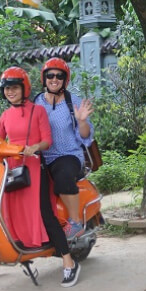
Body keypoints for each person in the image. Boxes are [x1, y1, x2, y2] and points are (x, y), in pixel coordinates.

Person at [0, 66, 81, 287]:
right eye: (6, 89)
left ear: (24, 88)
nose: (10, 92)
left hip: (34, 167)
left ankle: (69, 262)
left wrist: (34, 147)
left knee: (45, 213)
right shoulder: (5, 116)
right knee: (6, 210)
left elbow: (47, 141)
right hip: (12, 169)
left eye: (14, 88)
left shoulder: (38, 111)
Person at [34, 57, 94, 240]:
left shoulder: (73, 102)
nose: (54, 79)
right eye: (50, 75)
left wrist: (82, 121)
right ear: (44, 78)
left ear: (65, 80)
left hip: (68, 154)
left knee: (62, 175)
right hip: (42, 155)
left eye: (59, 76)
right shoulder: (36, 101)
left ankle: (75, 222)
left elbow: (85, 136)